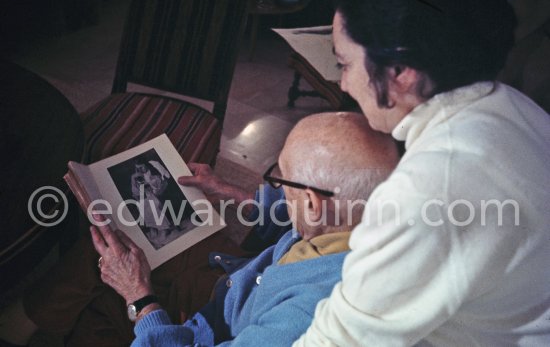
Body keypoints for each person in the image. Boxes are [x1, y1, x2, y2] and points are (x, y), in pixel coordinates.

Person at [0, 112, 398, 346]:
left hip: (217, 321)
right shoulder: (370, 214)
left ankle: (23, 324)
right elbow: (309, 217)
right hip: (233, 275)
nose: (274, 186)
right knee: (124, 237)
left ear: (312, 202)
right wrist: (231, 191)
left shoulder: (308, 317)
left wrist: (139, 296)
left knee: (110, 272)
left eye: (282, 180)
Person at [293, 0, 550, 346]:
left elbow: (339, 341)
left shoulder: (431, 188)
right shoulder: (515, 106)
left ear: (400, 70)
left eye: (344, 64)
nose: (344, 84)